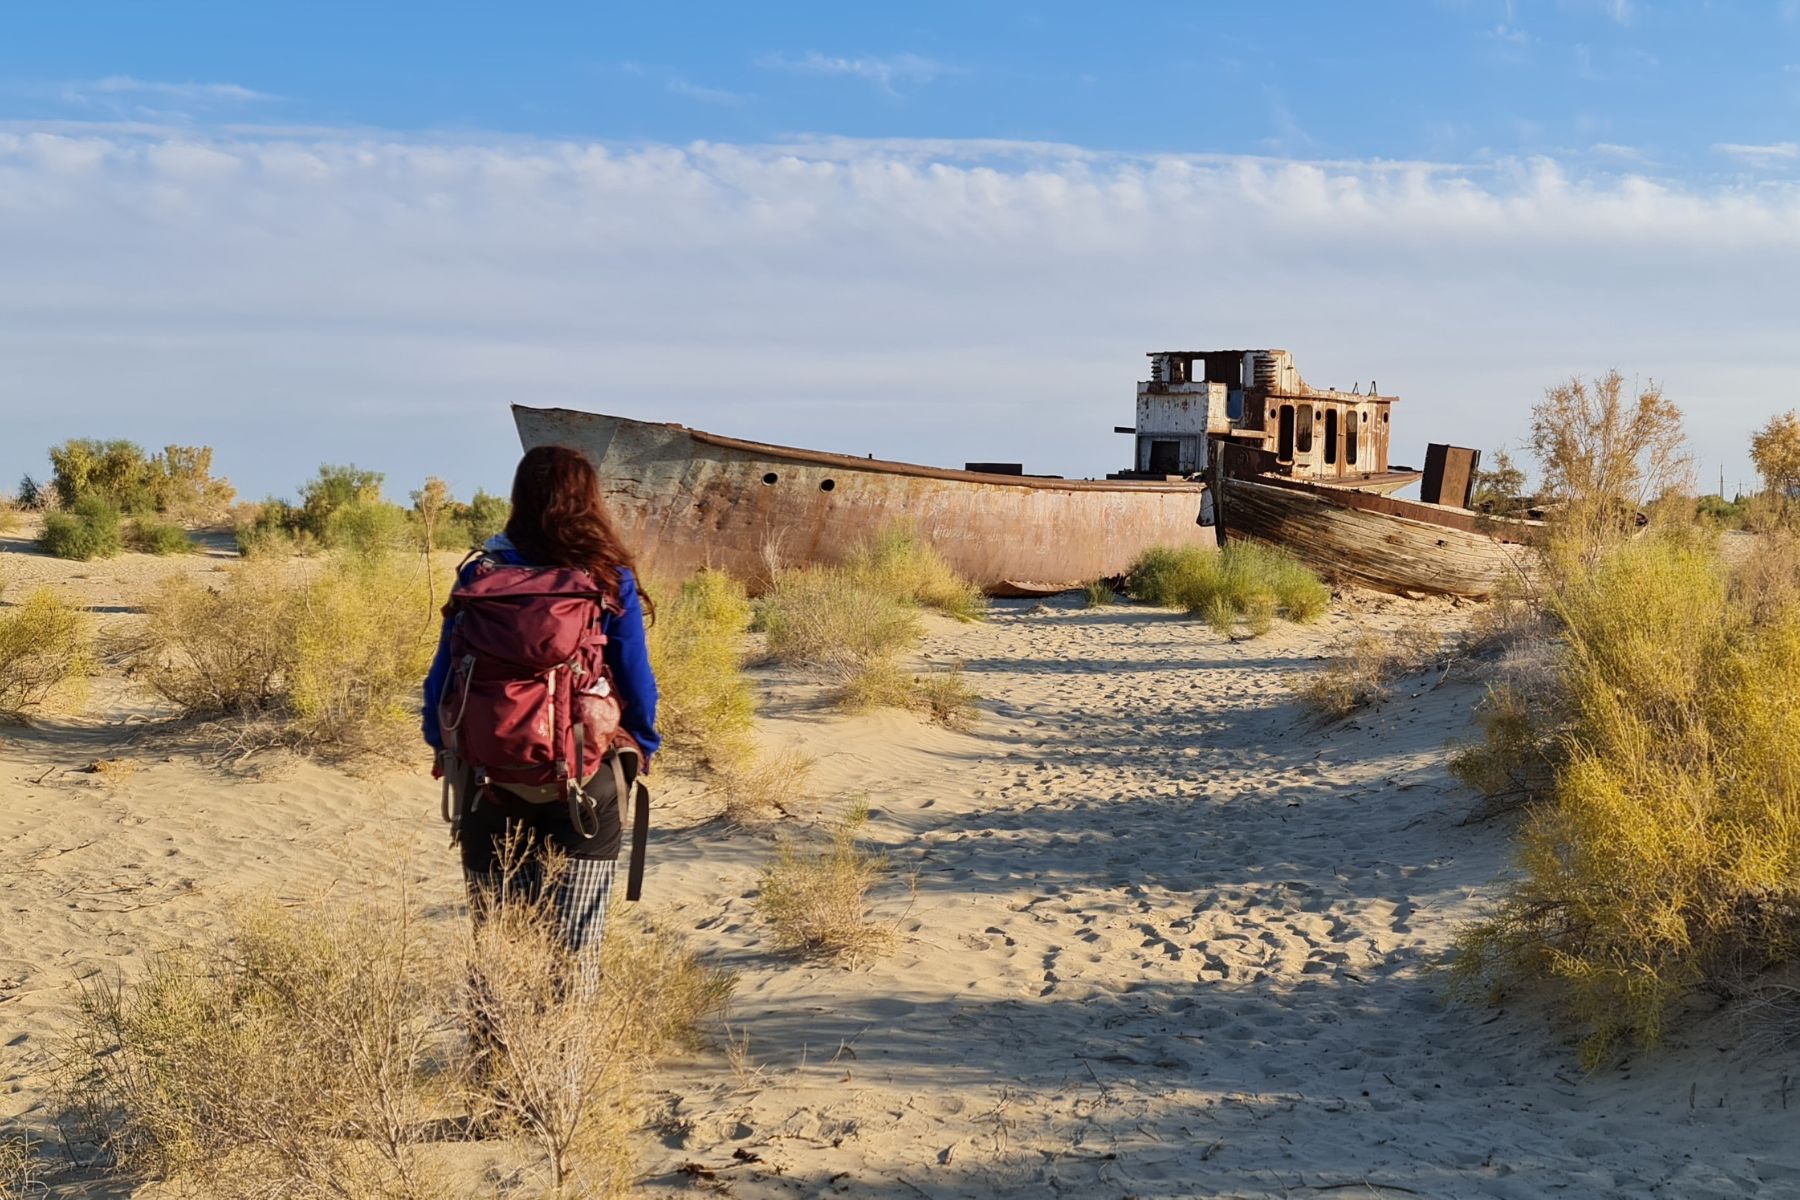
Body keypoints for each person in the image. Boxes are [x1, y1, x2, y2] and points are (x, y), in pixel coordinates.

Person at [423, 445, 660, 995]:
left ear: (519, 498)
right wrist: (642, 745)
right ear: (590, 501)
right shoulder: (607, 577)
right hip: (585, 781)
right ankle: (561, 1075)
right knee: (573, 957)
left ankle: (494, 1071)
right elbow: (635, 680)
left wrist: (447, 752)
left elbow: (441, 681)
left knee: (499, 953)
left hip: (487, 782)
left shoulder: (480, 575)